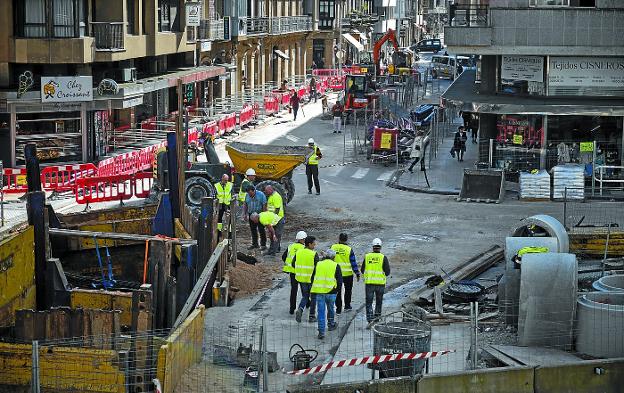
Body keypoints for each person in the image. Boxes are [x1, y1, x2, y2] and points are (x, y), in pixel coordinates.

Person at [311, 249, 342, 339]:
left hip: (320, 291)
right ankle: (331, 324)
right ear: (334, 257)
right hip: (331, 291)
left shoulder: (319, 264)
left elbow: (313, 277)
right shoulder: (336, 265)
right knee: (331, 308)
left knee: (320, 312)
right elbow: (339, 281)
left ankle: (321, 332)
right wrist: (337, 291)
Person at [361, 238, 390, 329]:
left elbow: (362, 270)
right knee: (378, 302)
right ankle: (377, 319)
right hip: (380, 284)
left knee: (369, 303)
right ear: (380, 247)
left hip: (369, 284)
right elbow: (387, 272)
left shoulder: (367, 256)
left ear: (373, 247)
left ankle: (370, 320)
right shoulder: (383, 257)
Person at [331, 233, 360, 314]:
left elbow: (329, 259)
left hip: (336, 274)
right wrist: (357, 273)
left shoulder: (333, 247)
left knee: (338, 291)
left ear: (339, 239)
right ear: (346, 239)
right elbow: (353, 263)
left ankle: (338, 309)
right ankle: (347, 306)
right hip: (348, 274)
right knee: (348, 290)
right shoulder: (349, 249)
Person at [293, 236, 319, 323]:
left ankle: (300, 309)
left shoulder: (299, 252)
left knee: (305, 296)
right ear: (309, 244)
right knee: (313, 297)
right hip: (311, 279)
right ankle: (312, 316)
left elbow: (293, 264)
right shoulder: (314, 254)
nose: (315, 245)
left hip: (301, 278)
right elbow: (318, 267)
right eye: (314, 244)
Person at [282, 231, 307, 314]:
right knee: (304, 289)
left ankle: (292, 308)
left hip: (292, 272)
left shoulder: (291, 246)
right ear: (303, 239)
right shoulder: (304, 248)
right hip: (300, 272)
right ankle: (307, 303)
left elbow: (283, 257)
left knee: (294, 290)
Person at [242, 185, 267, 250]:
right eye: (248, 193)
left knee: (261, 229)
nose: (250, 195)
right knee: (253, 230)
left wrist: (264, 215)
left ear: (254, 191)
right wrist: (244, 214)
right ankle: (255, 244)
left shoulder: (261, 195)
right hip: (251, 215)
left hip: (259, 214)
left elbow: (264, 205)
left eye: (250, 193)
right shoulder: (247, 195)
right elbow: (245, 204)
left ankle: (263, 245)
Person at [264, 185, 284, 252]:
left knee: (276, 235)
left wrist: (273, 220)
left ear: (270, 190)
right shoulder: (271, 196)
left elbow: (277, 209)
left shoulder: (276, 196)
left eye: (266, 191)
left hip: (277, 219)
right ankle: (276, 249)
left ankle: (273, 251)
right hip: (275, 219)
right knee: (274, 234)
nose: (266, 193)